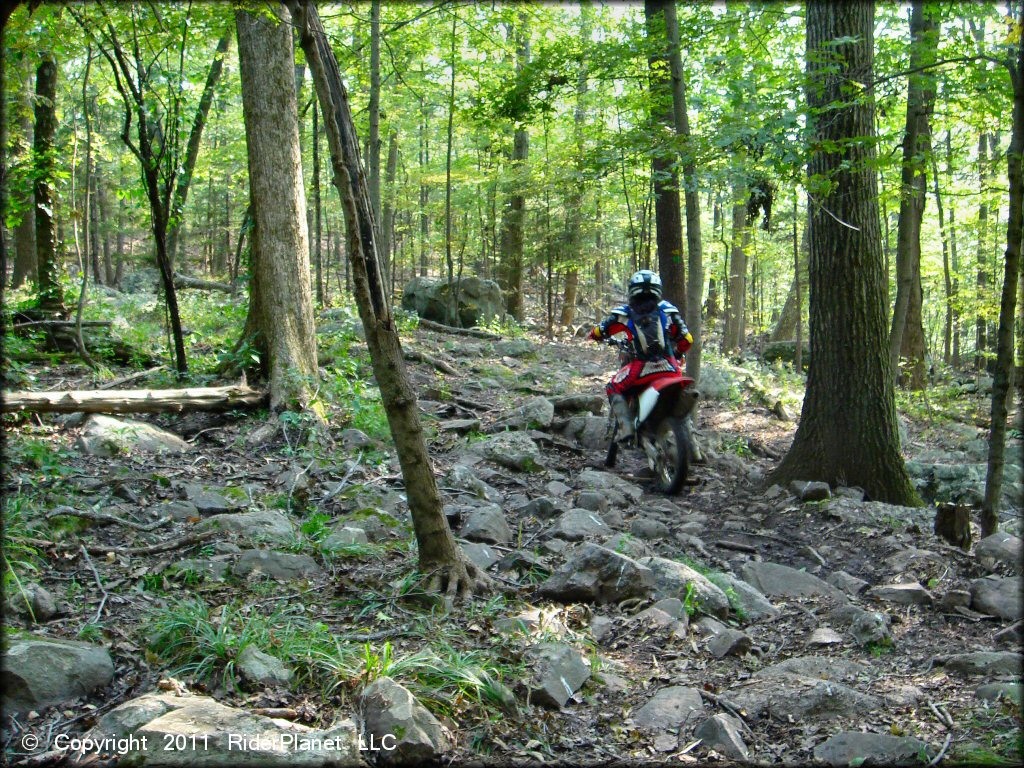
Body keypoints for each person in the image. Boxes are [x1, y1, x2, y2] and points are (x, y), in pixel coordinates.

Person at [588, 269, 692, 442]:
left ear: (632, 290)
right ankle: (694, 448)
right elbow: (687, 339)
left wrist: (594, 335)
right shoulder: (668, 310)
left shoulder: (625, 313)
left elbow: (602, 330)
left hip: (641, 369)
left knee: (613, 387)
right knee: (680, 399)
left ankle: (626, 428)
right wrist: (677, 353)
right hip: (671, 368)